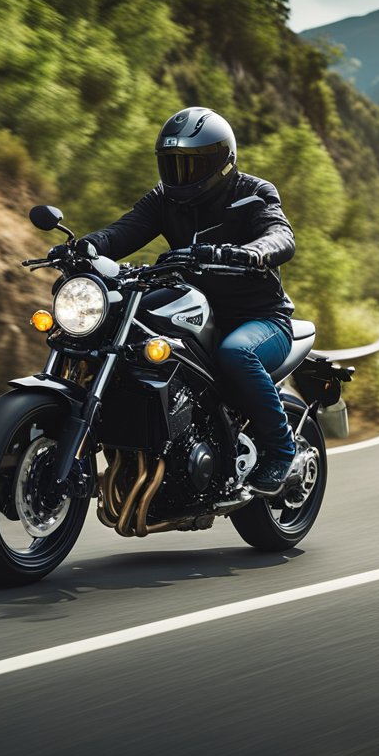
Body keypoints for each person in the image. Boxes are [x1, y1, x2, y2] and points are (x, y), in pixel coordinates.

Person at [76, 107, 297, 494]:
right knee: (119, 334)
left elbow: (280, 236)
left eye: (193, 164)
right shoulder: (164, 200)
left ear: (222, 160)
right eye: (172, 164)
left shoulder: (254, 193)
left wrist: (250, 252)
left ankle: (281, 451)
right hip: (196, 312)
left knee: (235, 353)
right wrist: (85, 248)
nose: (181, 174)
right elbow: (121, 233)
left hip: (260, 319)